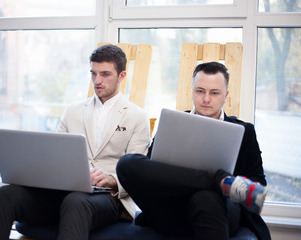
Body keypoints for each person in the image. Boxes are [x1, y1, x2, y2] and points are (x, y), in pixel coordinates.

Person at [0, 44, 150, 240]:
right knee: (6, 194)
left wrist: (113, 181)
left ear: (122, 75)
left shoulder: (137, 117)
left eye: (105, 74)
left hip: (107, 199)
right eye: (93, 73)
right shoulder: (72, 111)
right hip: (61, 194)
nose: (97, 81)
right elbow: (55, 156)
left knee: (75, 201)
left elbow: (137, 174)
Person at [116, 61, 271, 240]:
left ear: (226, 95)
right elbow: (151, 170)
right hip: (170, 206)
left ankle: (219, 185)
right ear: (191, 91)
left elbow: (257, 181)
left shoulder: (244, 131)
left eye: (214, 93)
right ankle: (220, 181)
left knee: (206, 198)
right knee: (126, 163)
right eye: (200, 91)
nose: (206, 99)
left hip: (217, 208)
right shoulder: (172, 123)